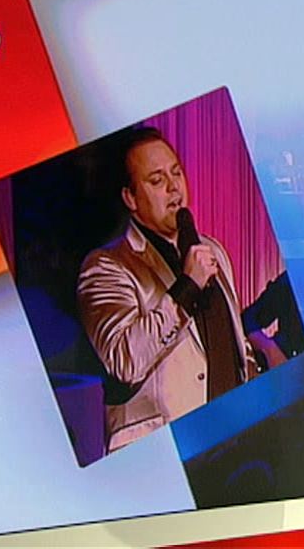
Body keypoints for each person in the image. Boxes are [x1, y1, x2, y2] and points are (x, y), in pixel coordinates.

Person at [77, 126, 286, 453]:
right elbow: (124, 360)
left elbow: (234, 342)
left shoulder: (211, 250)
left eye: (176, 173)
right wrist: (187, 288)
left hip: (234, 437)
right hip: (167, 451)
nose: (174, 187)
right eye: (157, 180)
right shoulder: (106, 266)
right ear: (131, 198)